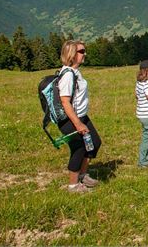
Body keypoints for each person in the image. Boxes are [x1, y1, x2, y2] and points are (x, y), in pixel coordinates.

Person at [57, 40, 102, 193]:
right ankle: (73, 185)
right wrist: (77, 123)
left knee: (94, 143)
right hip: (70, 120)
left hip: (81, 116)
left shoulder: (76, 72)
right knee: (79, 148)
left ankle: (83, 175)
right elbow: (64, 101)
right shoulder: (68, 75)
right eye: (81, 51)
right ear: (72, 54)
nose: (85, 54)